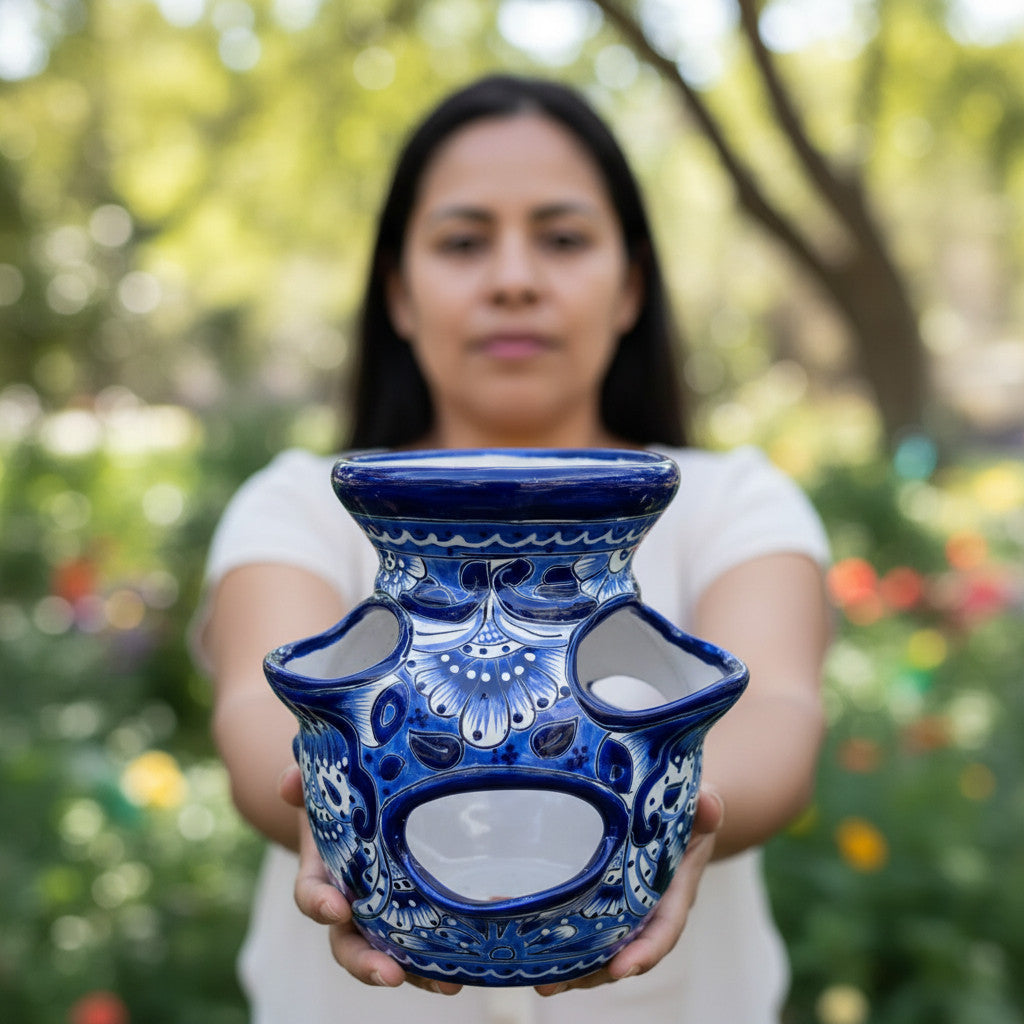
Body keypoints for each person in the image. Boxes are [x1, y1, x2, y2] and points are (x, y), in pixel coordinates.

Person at [194, 74, 831, 1024]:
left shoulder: (734, 499)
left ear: (631, 288)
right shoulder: (299, 504)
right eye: (462, 242)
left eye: (564, 238)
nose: (514, 278)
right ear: (400, 296)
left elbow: (778, 703)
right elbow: (256, 704)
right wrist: (317, 809)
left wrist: (678, 820)